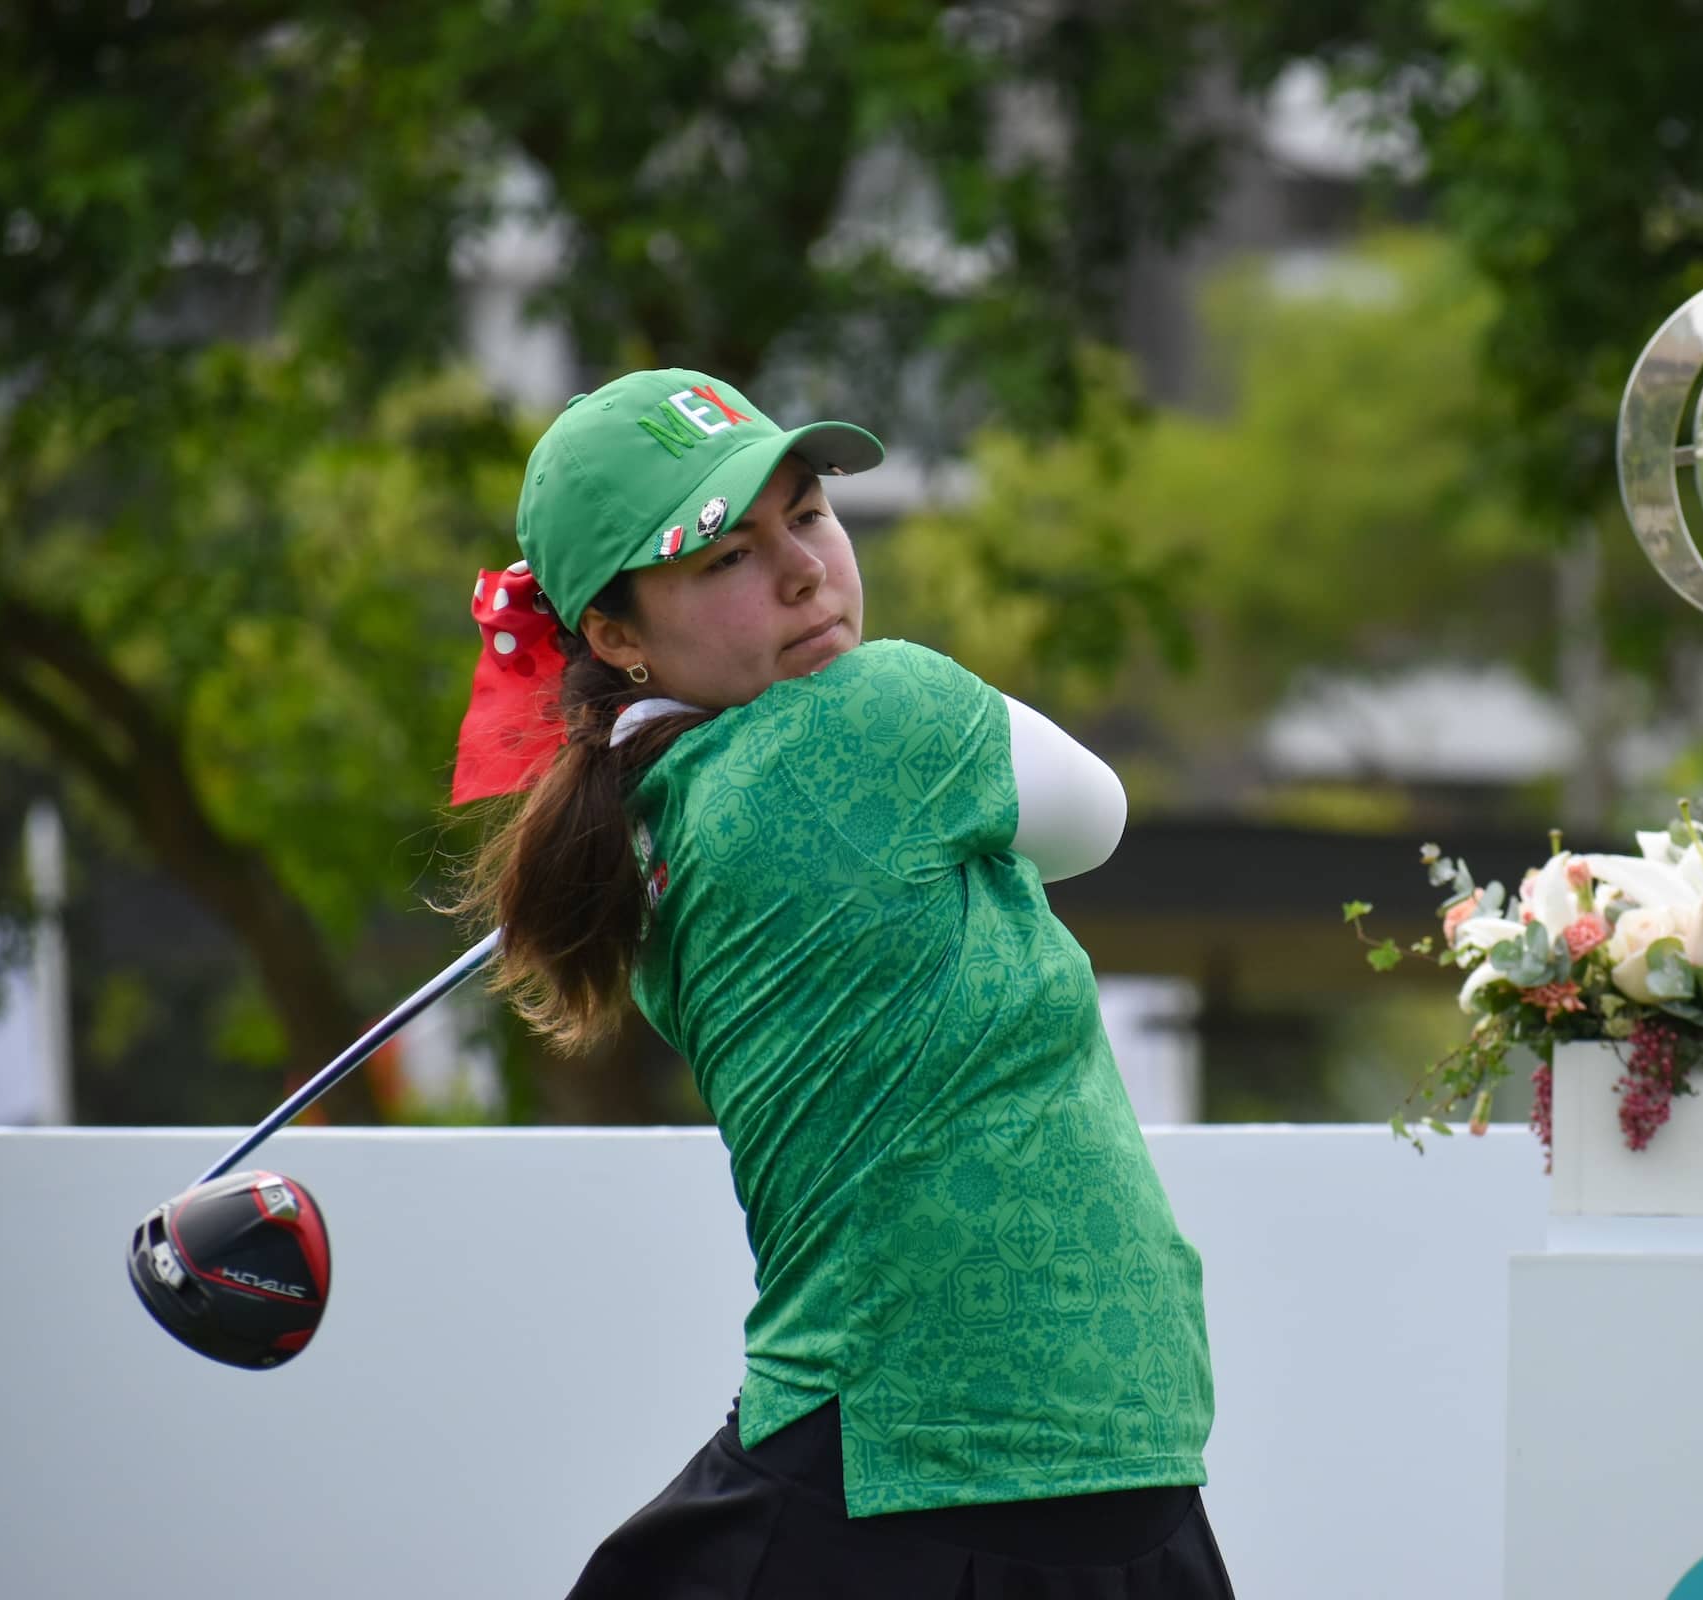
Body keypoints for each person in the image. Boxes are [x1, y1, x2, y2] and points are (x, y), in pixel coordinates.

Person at [450, 369, 1230, 1599]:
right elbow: (1094, 819)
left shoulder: (640, 823)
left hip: (995, 1460)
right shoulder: (874, 712)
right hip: (944, 1476)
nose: (803, 570)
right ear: (612, 633)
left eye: (806, 514)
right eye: (724, 557)